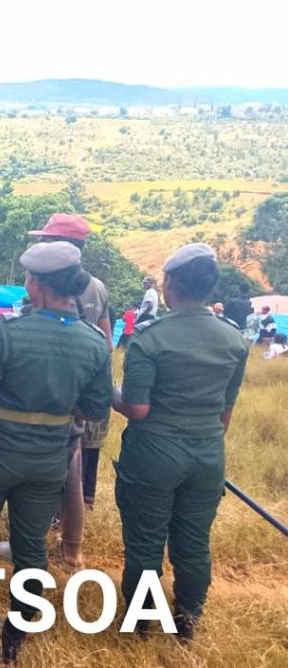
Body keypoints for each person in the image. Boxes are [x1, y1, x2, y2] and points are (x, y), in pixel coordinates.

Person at [0, 241, 111, 664]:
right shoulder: (94, 342)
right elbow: (94, 409)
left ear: (38, 285)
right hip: (48, 461)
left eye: (30, 278)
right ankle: (15, 635)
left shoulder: (6, 331)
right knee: (32, 547)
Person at [112, 242, 248, 641]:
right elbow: (225, 413)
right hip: (207, 453)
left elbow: (136, 408)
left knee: (145, 542)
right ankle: (188, 619)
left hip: (153, 454)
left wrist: (111, 392)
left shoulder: (151, 338)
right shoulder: (233, 340)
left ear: (169, 283)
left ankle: (142, 623)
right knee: (194, 543)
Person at [28, 213, 113, 567]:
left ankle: (33, 542)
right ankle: (70, 549)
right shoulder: (99, 287)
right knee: (73, 471)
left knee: (38, 471)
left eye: (46, 241)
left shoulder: (47, 285)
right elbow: (106, 342)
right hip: (80, 392)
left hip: (44, 392)